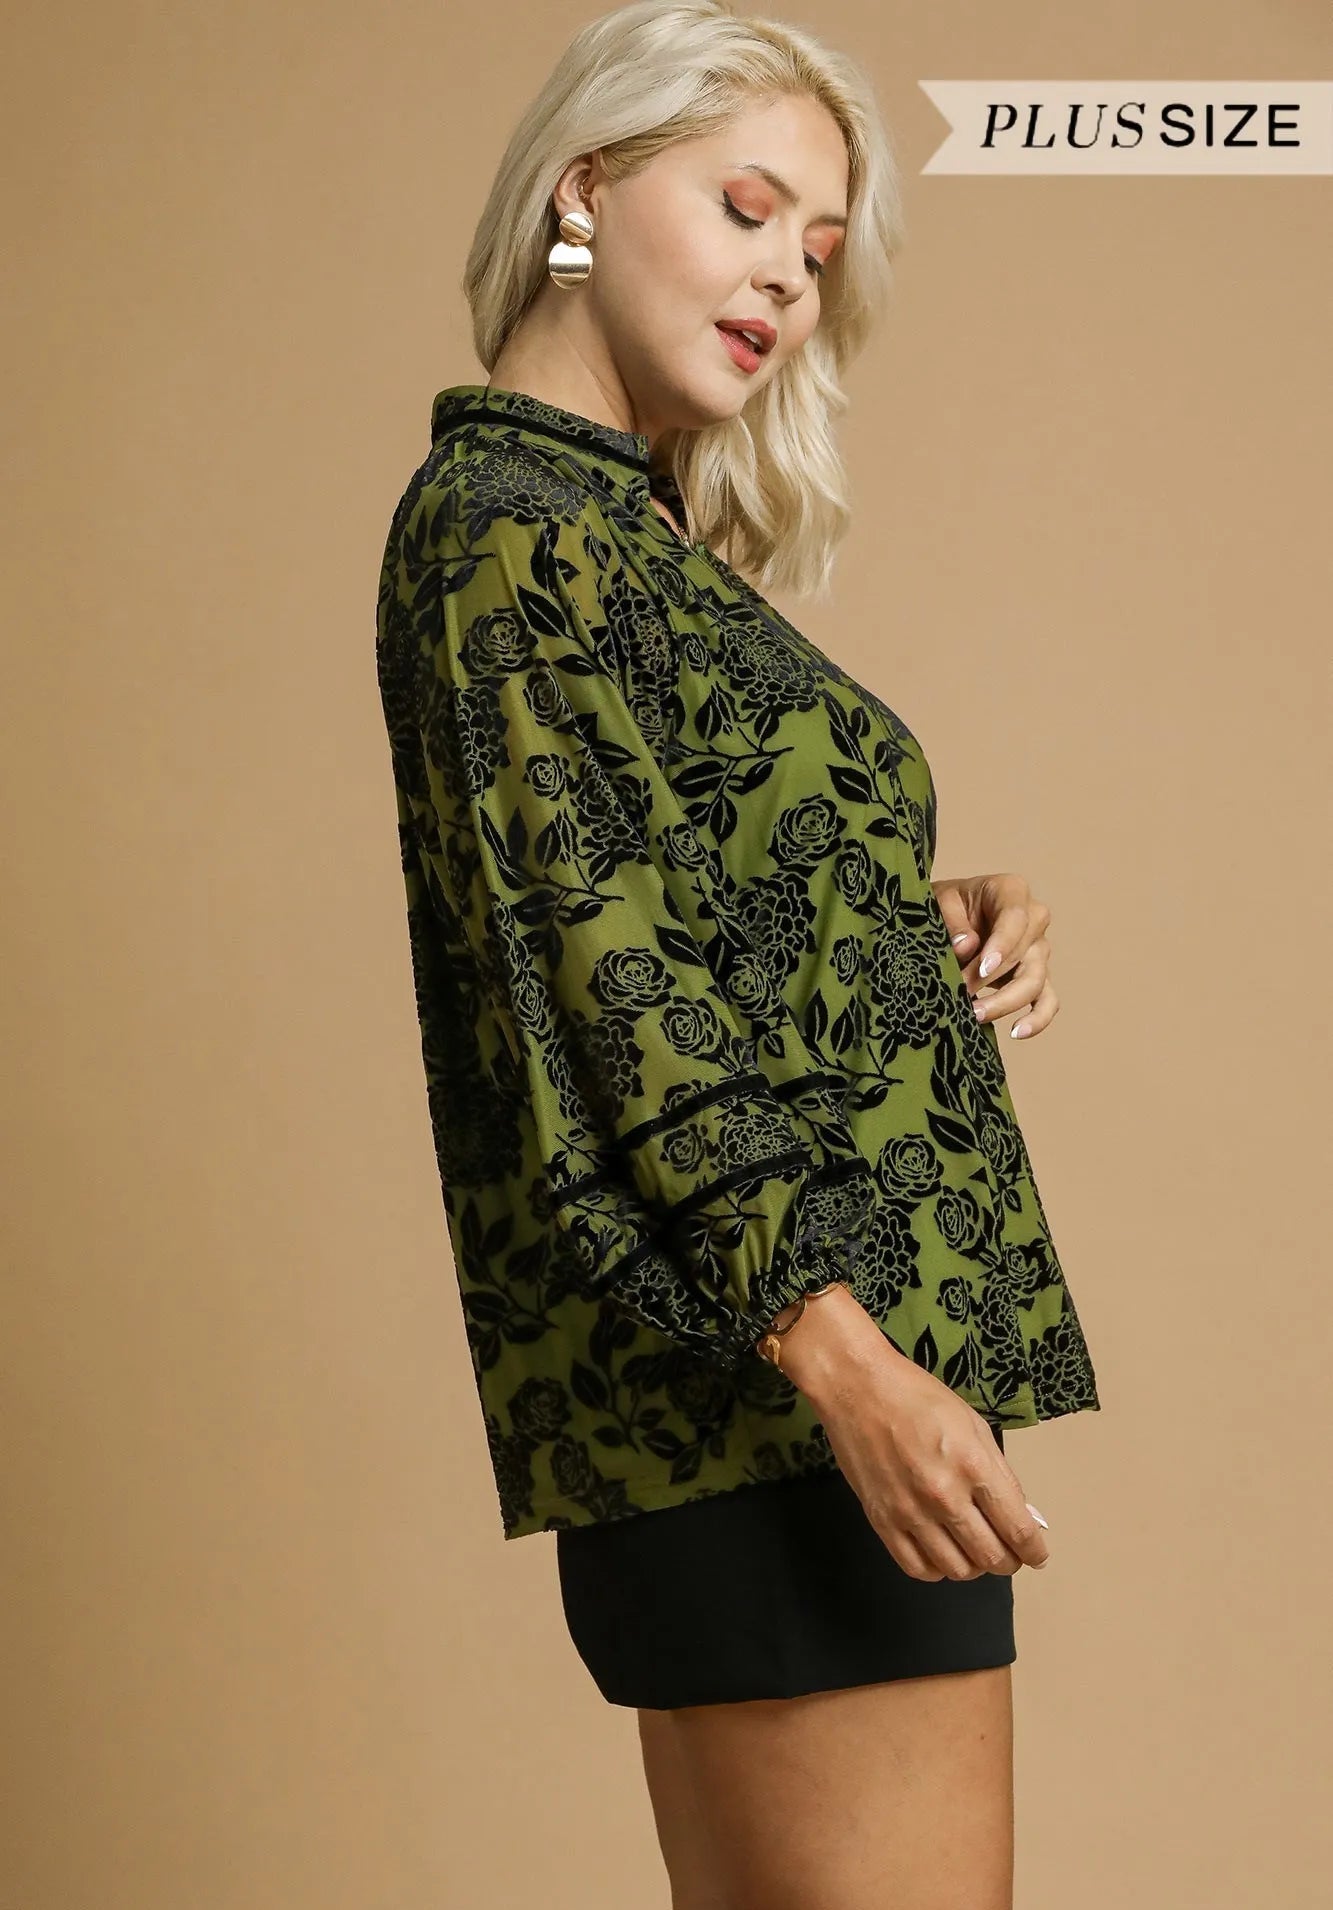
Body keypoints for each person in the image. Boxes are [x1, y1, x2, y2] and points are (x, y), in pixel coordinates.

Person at [373, 4, 1101, 1904]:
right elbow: (610, 1002)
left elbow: (671, 901)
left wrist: (906, 902)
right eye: (749, 205)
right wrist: (849, 1372)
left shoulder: (615, 533)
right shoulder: (511, 531)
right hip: (774, 1392)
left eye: (818, 245)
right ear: (583, 193)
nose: (785, 271)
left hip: (780, 1378)